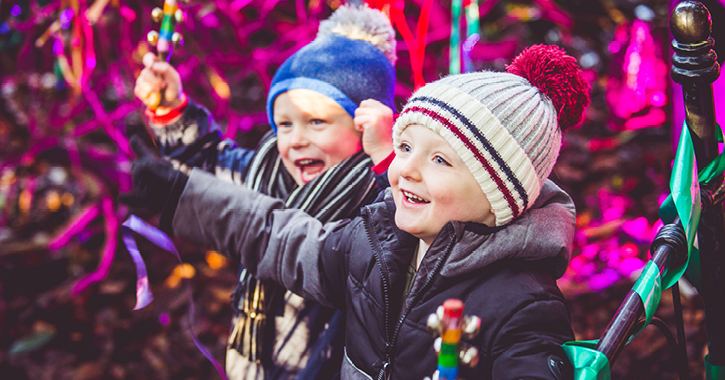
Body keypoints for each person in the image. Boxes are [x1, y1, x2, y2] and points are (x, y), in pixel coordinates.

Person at [122, 44, 590, 380]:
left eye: (440, 159)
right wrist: (182, 197)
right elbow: (277, 235)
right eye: (405, 146)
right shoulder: (374, 240)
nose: (405, 169)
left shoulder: (522, 304)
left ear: (498, 194)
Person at [127, 4, 398, 380]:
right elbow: (208, 163)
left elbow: (404, 216)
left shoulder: (375, 198)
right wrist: (173, 111)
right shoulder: (266, 173)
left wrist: (388, 157)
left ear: (366, 125)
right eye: (284, 124)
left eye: (316, 122)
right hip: (254, 362)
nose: (296, 140)